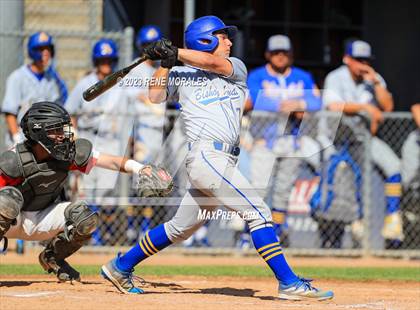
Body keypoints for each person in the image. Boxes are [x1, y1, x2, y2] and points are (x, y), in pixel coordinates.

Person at [101, 15, 333, 301]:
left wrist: (175, 52)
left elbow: (213, 64)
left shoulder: (235, 67)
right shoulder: (181, 74)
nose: (229, 41)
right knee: (258, 212)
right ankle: (288, 282)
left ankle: (120, 266)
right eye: (223, 36)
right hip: (207, 156)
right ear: (205, 39)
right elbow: (155, 95)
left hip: (222, 160)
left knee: (180, 227)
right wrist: (164, 62)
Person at [0, 102, 148, 282]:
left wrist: (140, 169)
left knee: (84, 217)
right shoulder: (14, 160)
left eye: (62, 129)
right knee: (6, 201)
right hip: (13, 221)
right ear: (39, 133)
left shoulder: (66, 154)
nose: (63, 136)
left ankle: (53, 257)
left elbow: (110, 161)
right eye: (56, 131)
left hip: (43, 218)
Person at [323, 39, 403, 247]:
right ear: (347, 59)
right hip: (337, 140)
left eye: (366, 60)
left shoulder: (373, 79)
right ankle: (346, 227)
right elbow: (332, 106)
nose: (363, 64)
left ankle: (393, 218)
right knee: (344, 180)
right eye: (358, 59)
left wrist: (376, 83)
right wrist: (364, 108)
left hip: (365, 139)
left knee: (394, 166)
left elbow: (387, 107)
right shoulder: (336, 77)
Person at [246, 34, 323, 245]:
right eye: (276, 53)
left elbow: (316, 101)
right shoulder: (257, 75)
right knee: (258, 190)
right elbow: (255, 99)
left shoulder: (301, 76)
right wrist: (286, 105)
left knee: (283, 190)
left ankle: (276, 234)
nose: (280, 56)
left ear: (291, 54)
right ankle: (249, 234)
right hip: (264, 140)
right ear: (268, 54)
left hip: (291, 141)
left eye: (284, 53)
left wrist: (300, 105)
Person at [65, 38, 132, 245]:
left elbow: (128, 119)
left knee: (105, 192)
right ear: (96, 61)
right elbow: (70, 113)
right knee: (85, 190)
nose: (107, 64)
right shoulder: (85, 83)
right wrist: (72, 138)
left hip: (111, 141)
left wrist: (128, 146)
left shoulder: (120, 86)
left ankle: (100, 234)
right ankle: (84, 234)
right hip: (87, 138)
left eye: (110, 60)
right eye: (103, 60)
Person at [122, 25, 166, 243]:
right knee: (140, 182)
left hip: (159, 132)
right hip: (142, 132)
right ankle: (133, 228)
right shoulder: (134, 70)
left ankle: (145, 228)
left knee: (154, 183)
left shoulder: (162, 70)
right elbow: (129, 102)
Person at [1, 31, 67, 149]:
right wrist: (16, 137)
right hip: (22, 136)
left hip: (44, 139)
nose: (46, 52)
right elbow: (10, 112)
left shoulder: (51, 79)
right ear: (33, 51)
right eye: (41, 49)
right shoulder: (17, 77)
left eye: (48, 48)